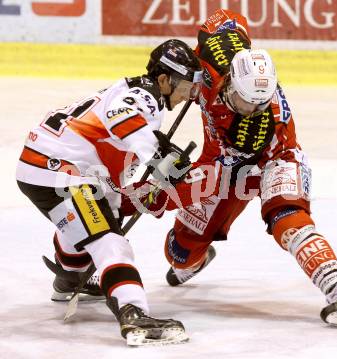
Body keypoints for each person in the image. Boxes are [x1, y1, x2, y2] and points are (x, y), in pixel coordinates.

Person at [144, 9, 337, 327]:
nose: (252, 110)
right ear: (232, 82)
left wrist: (173, 180)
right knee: (179, 253)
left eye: (260, 104)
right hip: (222, 160)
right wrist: (199, 54)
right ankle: (197, 252)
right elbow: (225, 18)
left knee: (287, 218)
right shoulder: (222, 55)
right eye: (246, 101)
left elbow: (215, 176)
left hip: (272, 159)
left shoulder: (255, 126)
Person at [16, 39, 202, 345]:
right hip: (61, 171)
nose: (186, 95)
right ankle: (134, 313)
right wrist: (158, 157)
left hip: (47, 165)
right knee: (111, 244)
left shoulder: (133, 89)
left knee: (94, 224)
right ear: (164, 79)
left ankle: (68, 279)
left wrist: (113, 212)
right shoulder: (146, 97)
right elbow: (120, 115)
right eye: (184, 86)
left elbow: (112, 165)